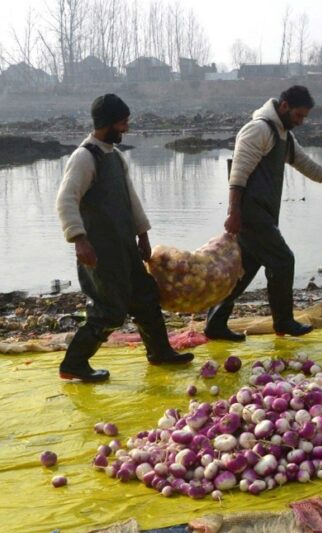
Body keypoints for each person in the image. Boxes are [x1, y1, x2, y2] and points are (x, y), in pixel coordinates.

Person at [54, 93, 194, 382]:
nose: (126, 128)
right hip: (99, 252)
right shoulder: (84, 157)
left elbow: (131, 200)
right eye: (122, 123)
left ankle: (160, 352)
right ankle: (74, 364)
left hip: (125, 247)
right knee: (109, 311)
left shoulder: (115, 157)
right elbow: (66, 200)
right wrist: (79, 239)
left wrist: (142, 235)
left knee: (145, 297)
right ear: (107, 124)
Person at [205, 85, 322, 341]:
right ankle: (284, 321)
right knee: (283, 260)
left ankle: (215, 323)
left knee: (241, 273)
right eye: (298, 116)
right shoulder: (258, 129)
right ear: (284, 106)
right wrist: (233, 212)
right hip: (251, 214)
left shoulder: (283, 135)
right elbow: (238, 174)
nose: (300, 122)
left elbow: (307, 166)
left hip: (263, 213)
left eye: (304, 117)